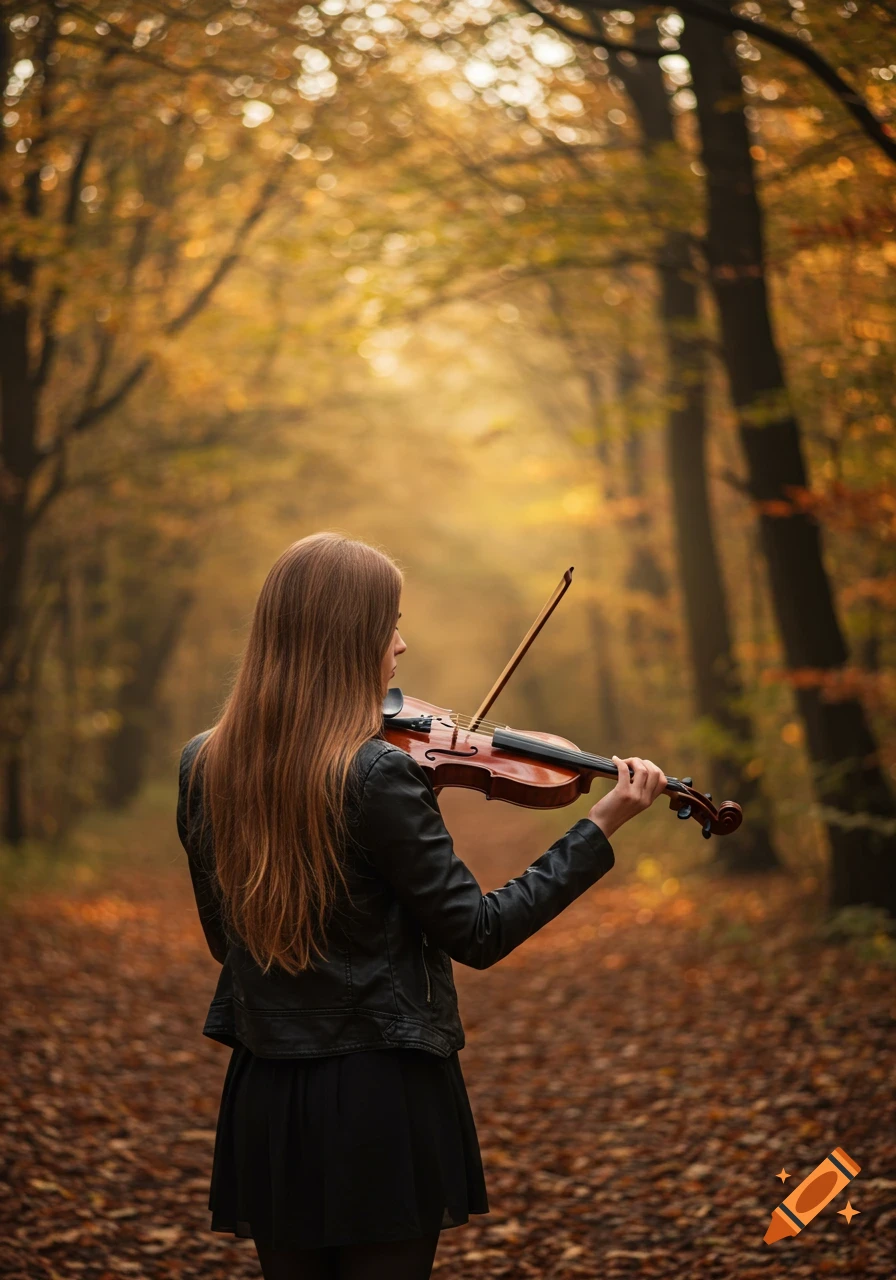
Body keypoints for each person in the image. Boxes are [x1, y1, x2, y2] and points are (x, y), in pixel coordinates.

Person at [176, 532, 667, 1280]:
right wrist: (598, 828)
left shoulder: (203, 761)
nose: (400, 645)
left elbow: (228, 940)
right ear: (344, 639)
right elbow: (479, 931)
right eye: (387, 624)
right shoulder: (376, 774)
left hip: (267, 1093)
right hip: (381, 1092)